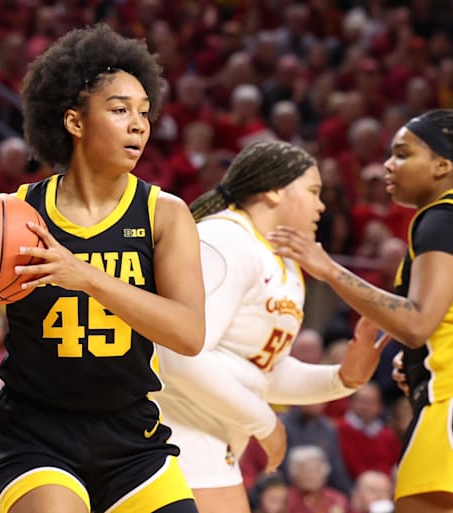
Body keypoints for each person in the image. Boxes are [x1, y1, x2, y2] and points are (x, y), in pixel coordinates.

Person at [0, 23, 205, 513]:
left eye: (144, 112)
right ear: (75, 122)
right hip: (37, 435)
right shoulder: (14, 217)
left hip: (131, 436)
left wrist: (86, 277)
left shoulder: (164, 213)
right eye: (119, 110)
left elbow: (189, 334)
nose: (138, 125)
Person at [268, 108, 453, 512]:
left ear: (442, 165)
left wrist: (328, 269)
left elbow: (416, 322)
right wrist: (420, 362)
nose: (388, 165)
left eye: (402, 154)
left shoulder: (443, 218)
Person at [154, 139, 385, 513]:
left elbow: (264, 371)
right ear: (275, 191)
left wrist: (341, 379)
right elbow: (178, 355)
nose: (321, 206)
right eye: (313, 191)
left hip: (214, 438)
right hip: (172, 431)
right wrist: (265, 422)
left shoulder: (285, 263)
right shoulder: (224, 240)